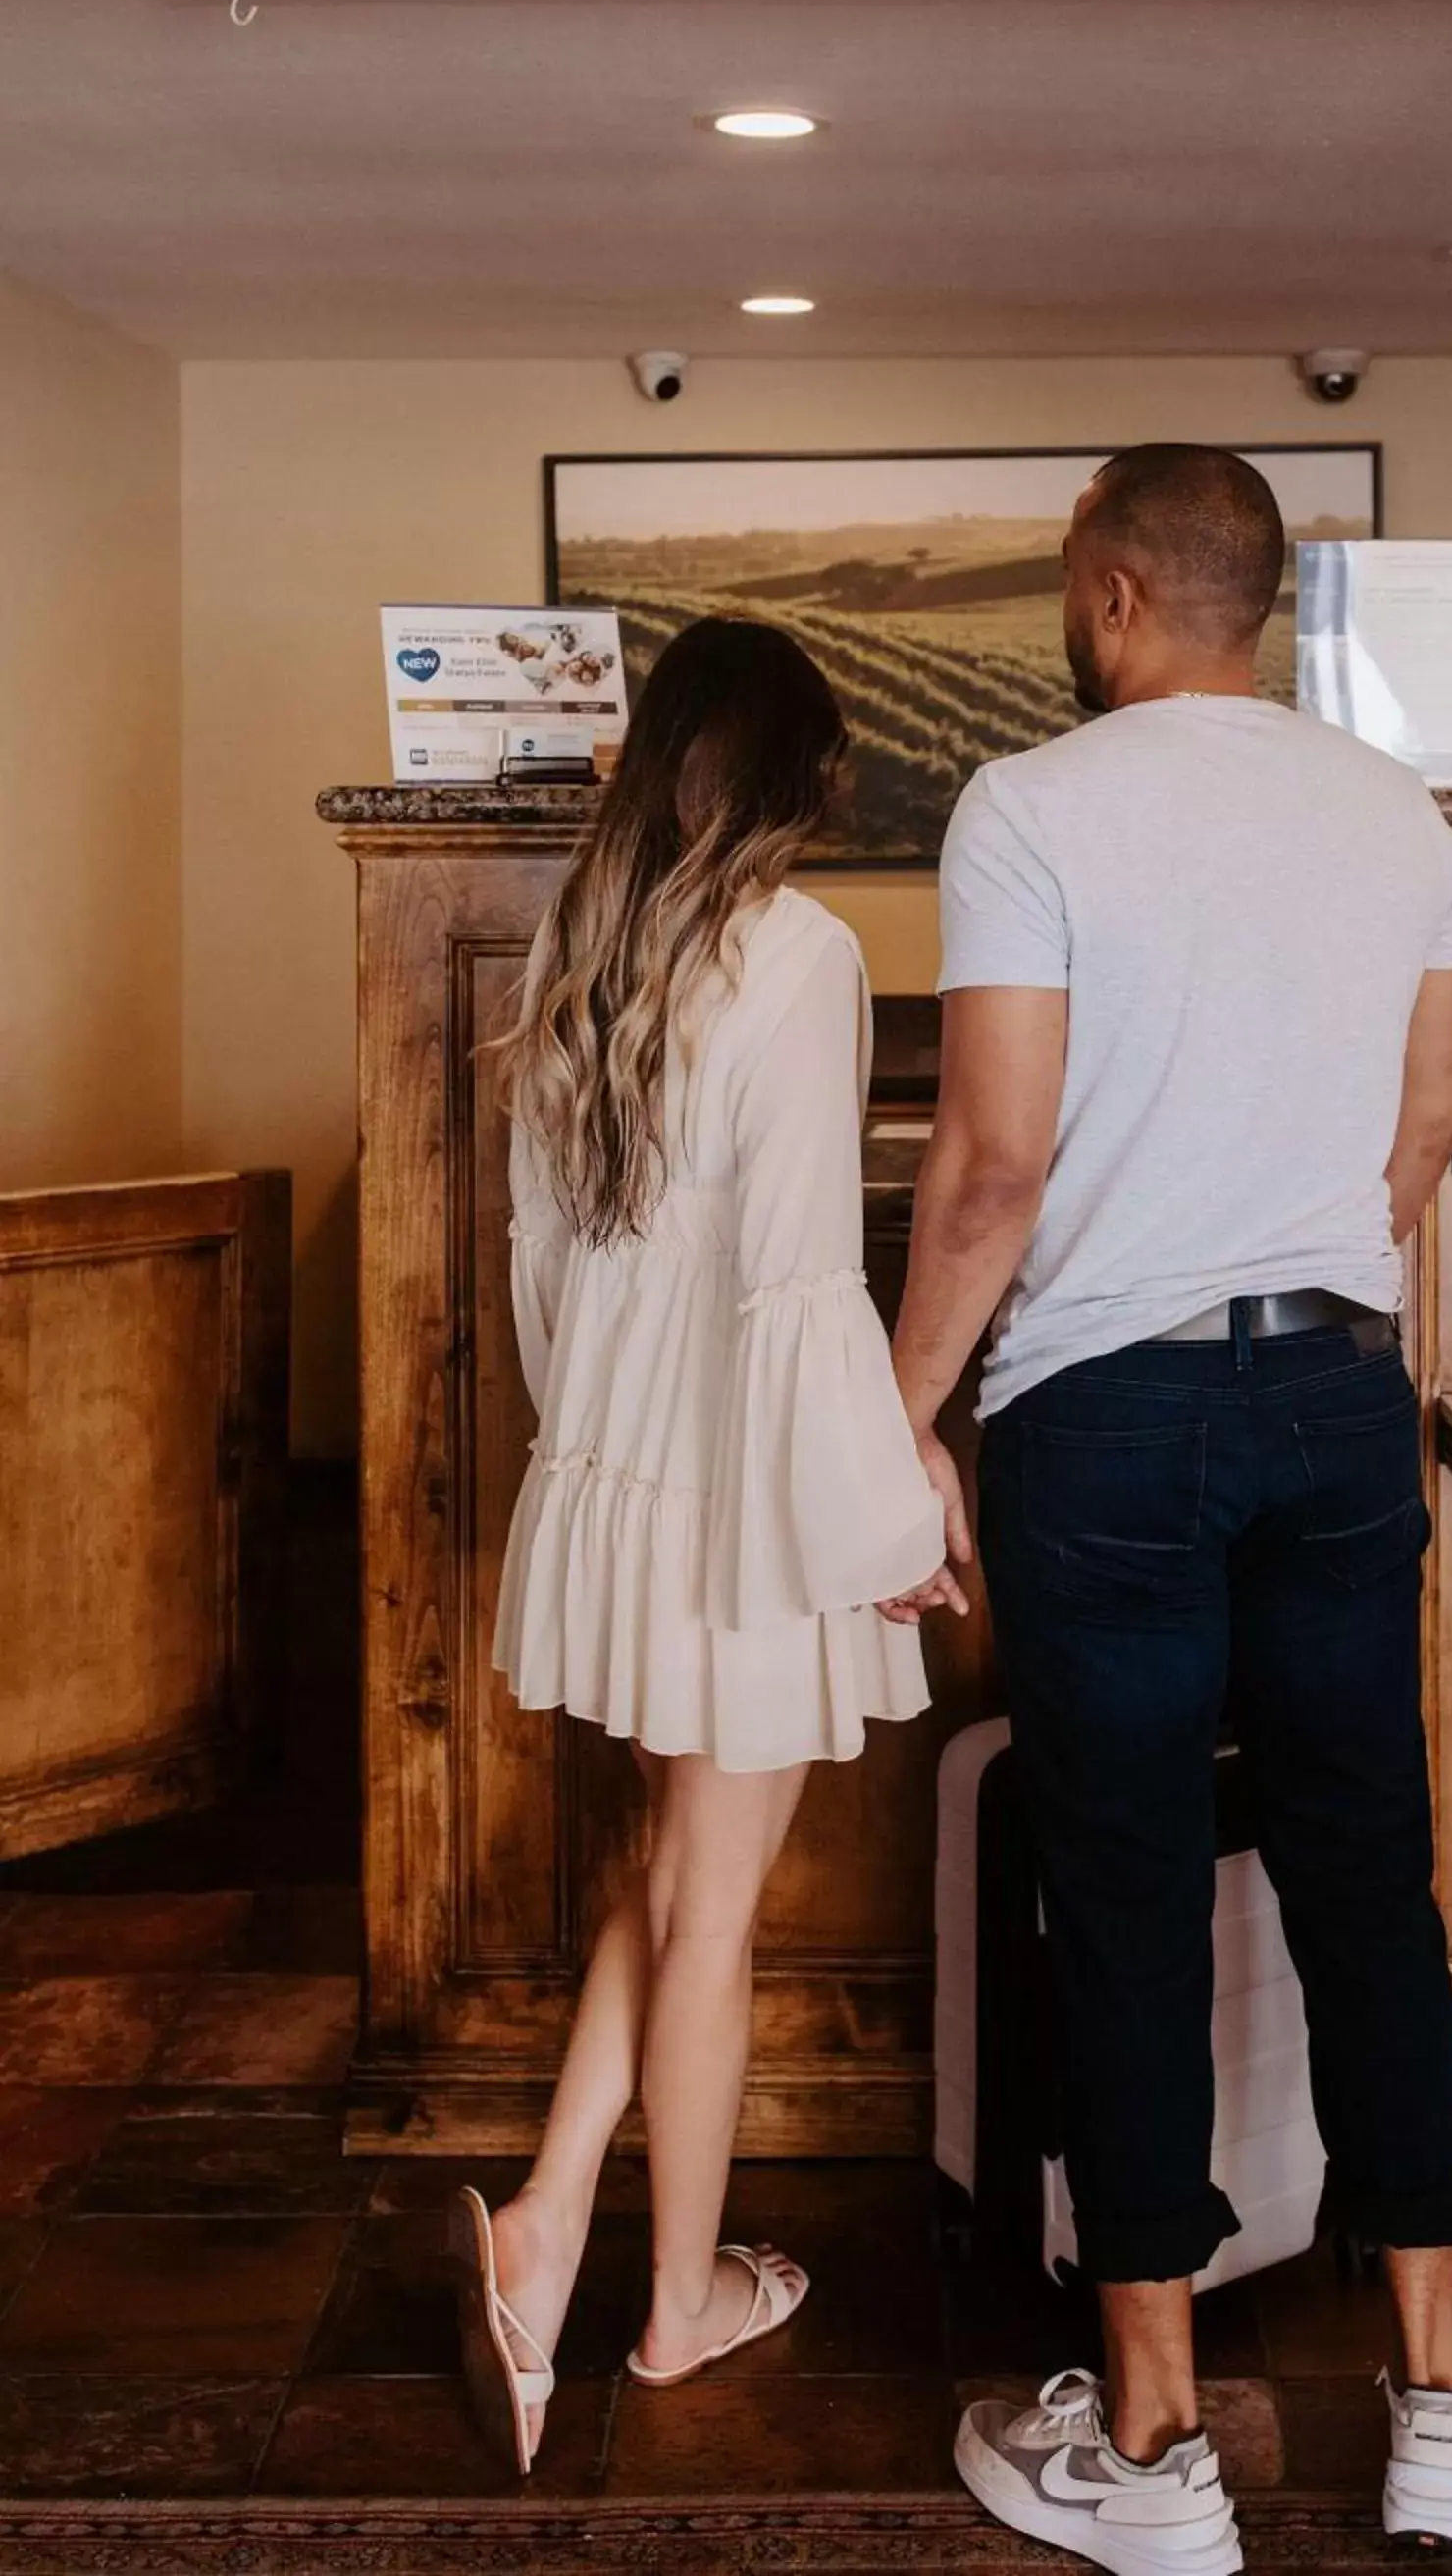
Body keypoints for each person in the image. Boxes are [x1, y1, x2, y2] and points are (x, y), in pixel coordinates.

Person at [890, 446, 1452, 2566]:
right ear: (1263, 599)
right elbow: (1424, 1133)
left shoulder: (1032, 811)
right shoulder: (1396, 815)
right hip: (1340, 1399)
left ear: (1108, 599)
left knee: (1131, 1893)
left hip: (1106, 1421)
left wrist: (902, 1414)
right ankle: (1437, 2399)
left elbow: (989, 1167)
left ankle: (1157, 2451)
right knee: (1370, 1880)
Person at [451, 618, 963, 2476]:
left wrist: (597, 1445)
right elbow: (809, 1290)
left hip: (617, 1486)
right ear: (791, 780)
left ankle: (550, 2223)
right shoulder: (804, 952)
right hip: (745, 1506)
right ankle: (678, 2307)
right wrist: (889, 1520)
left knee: (670, 1868)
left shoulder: (588, 952)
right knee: (716, 1907)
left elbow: (537, 1275)